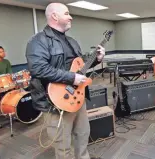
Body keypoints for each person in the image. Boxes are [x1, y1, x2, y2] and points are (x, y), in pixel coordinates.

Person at [25, 3, 105, 159]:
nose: (71, 17)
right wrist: (72, 78)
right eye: (67, 13)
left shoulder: (72, 41)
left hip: (77, 98)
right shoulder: (38, 41)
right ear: (54, 16)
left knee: (82, 135)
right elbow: (38, 69)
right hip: (54, 102)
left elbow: (80, 65)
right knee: (63, 145)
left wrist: (97, 59)